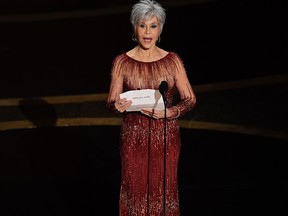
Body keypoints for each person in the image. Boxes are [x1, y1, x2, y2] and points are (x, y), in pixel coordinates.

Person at [106, 0, 196, 215]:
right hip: (133, 136)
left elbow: (190, 99)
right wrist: (116, 105)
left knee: (163, 192)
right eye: (142, 25)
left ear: (160, 29)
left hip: (165, 137)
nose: (147, 32)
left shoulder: (172, 60)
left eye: (153, 26)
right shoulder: (122, 62)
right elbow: (110, 102)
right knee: (134, 190)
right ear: (134, 27)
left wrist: (170, 112)